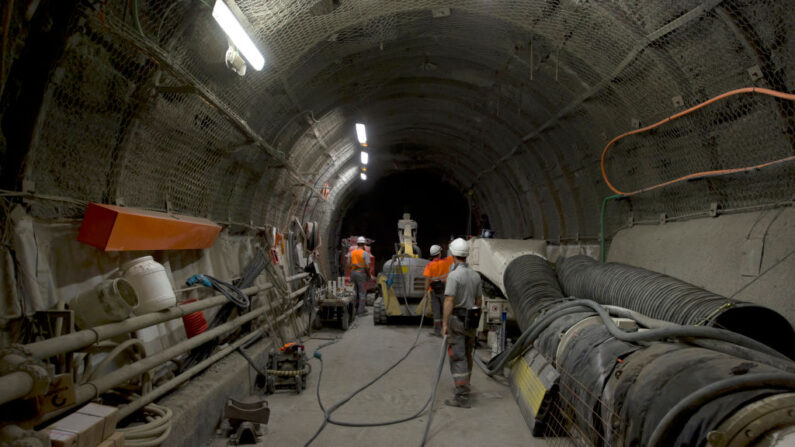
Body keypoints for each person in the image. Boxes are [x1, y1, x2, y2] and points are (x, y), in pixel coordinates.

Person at [442, 237, 481, 408]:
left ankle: (462, 396)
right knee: (467, 352)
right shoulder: (475, 275)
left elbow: (449, 300)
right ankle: (465, 384)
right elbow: (479, 301)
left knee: (457, 356)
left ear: (452, 254)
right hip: (471, 320)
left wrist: (444, 324)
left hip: (457, 319)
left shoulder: (454, 275)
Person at [423, 244, 454, 337]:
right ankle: (447, 330)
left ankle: (437, 331)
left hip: (433, 291)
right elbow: (455, 256)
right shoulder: (447, 262)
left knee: (436, 311)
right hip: (445, 289)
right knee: (446, 309)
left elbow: (428, 279)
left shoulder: (429, 265)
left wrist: (425, 290)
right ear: (439, 254)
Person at [347, 236, 371, 316]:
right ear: (364, 244)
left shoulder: (351, 253)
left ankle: (353, 310)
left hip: (353, 274)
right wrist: (369, 275)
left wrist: (353, 269)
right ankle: (361, 312)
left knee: (353, 292)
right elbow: (367, 267)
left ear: (357, 244)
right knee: (362, 293)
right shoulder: (365, 254)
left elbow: (348, 265)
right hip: (361, 274)